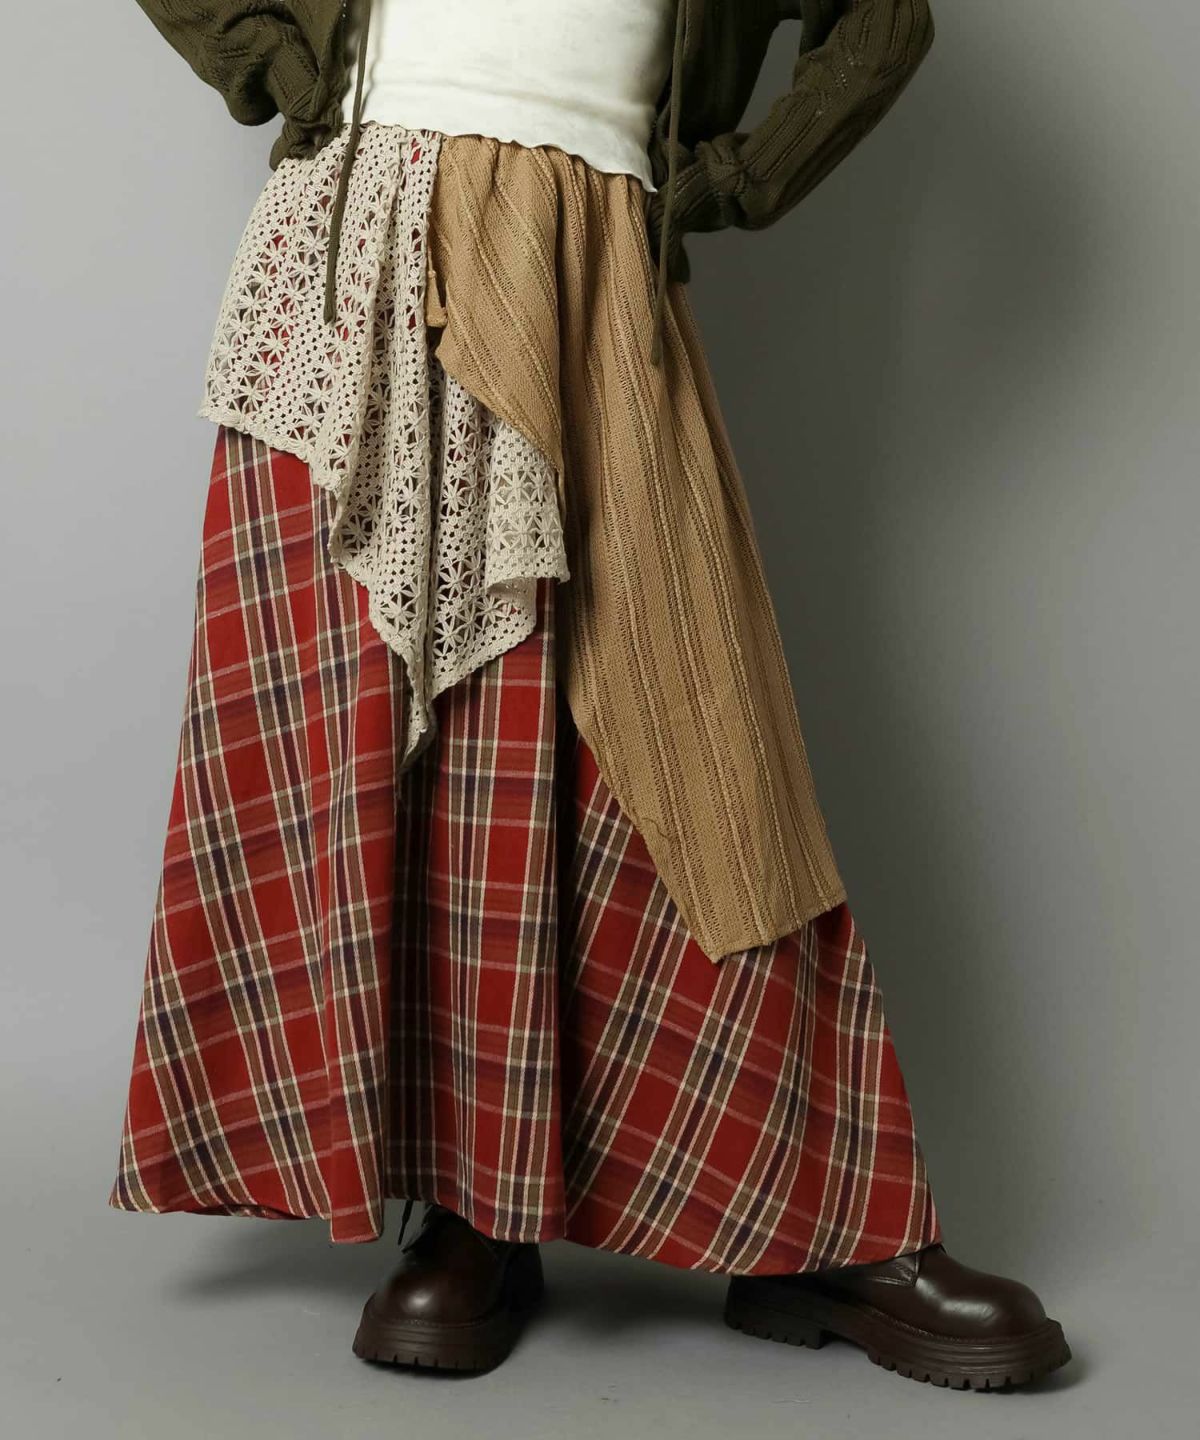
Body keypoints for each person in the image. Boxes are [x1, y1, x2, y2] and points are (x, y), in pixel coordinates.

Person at [111, 0, 1071, 1390]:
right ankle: (470, 1209)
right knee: (422, 754)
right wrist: (269, 55)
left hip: (590, 249)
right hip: (361, 242)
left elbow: (881, 20)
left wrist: (734, 177)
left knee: (694, 735)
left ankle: (820, 1217)